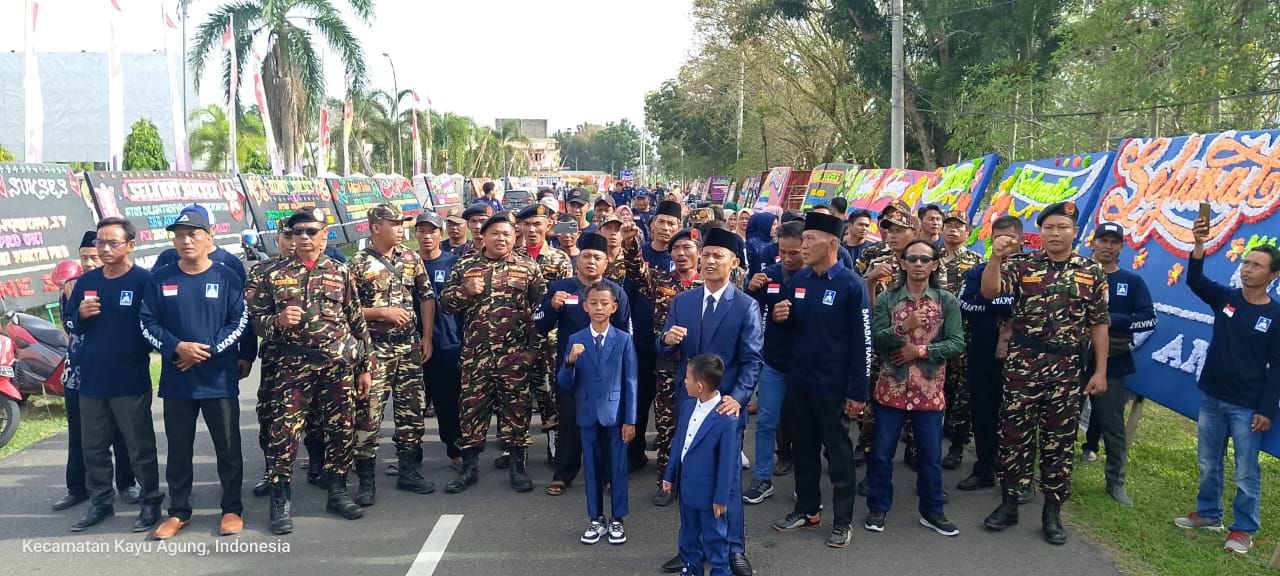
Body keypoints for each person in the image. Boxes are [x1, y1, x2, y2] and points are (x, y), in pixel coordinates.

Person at [980, 201, 1110, 545]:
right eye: (1049, 227)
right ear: (1040, 233)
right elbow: (990, 291)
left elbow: (1099, 324)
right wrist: (995, 258)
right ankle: (1009, 505)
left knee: (1059, 444)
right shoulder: (1022, 265)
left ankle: (1052, 513)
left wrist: (1100, 371)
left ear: (1075, 232)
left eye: (1062, 227)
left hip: (1067, 370)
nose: (1055, 233)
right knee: (1013, 438)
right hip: (1024, 365)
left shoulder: (1091, 271)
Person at [246, 207, 373, 534]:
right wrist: (277, 321)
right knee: (284, 434)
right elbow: (255, 322)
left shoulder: (340, 271)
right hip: (293, 366)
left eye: (311, 231)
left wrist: (364, 368)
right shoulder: (269, 273)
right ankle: (280, 501)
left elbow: (356, 322)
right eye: (297, 231)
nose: (304, 237)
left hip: (337, 366)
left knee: (340, 430)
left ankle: (338, 492)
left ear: (324, 234)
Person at [657, 227, 763, 576]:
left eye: (720, 255)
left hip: (725, 408)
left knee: (727, 480)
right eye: (707, 254)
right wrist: (667, 340)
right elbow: (665, 350)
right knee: (690, 475)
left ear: (734, 263)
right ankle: (691, 548)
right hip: (689, 405)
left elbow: (752, 360)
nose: (711, 260)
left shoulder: (745, 305)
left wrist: (738, 397)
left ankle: (733, 547)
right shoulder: (683, 301)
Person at [1173, 216, 1280, 555]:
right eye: (1246, 262)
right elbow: (1195, 280)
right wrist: (1200, 244)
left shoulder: (1276, 316)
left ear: (1273, 276)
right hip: (1212, 397)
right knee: (1208, 461)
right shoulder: (1226, 298)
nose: (1248, 269)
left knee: (1246, 472)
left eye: (1257, 266)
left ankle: (1243, 530)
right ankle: (1208, 514)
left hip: (1247, 405)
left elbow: (1278, 365)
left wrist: (1266, 408)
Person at [140, 209, 249, 539]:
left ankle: (231, 508)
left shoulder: (226, 276)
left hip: (217, 379)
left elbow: (239, 322)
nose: (186, 240)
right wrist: (177, 348)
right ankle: (179, 511)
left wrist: (205, 351)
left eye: (193, 234)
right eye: (180, 234)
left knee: (228, 447)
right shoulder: (161, 278)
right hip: (178, 379)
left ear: (209, 237)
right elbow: (148, 322)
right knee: (178, 448)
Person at [767, 211, 870, 549]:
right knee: (804, 449)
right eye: (803, 239)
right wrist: (781, 318)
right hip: (801, 381)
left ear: (833, 243)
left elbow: (863, 342)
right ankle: (807, 510)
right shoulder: (799, 281)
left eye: (810, 240)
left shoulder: (850, 285)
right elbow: (790, 328)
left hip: (834, 386)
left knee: (838, 455)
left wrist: (858, 391)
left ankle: (843, 520)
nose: (804, 245)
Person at [64, 217, 163, 533]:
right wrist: (79, 315)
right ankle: (100, 502)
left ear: (131, 245)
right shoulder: (86, 282)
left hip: (129, 379)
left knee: (139, 446)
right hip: (91, 380)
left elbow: (155, 327)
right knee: (93, 446)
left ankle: (150, 503)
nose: (104, 248)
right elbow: (70, 325)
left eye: (112, 242)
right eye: (100, 242)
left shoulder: (144, 281)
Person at [440, 212, 547, 494]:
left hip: (514, 357)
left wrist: (533, 351)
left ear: (515, 238)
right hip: (476, 357)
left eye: (507, 235)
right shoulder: (465, 266)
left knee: (516, 412)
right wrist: (465, 291)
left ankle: (517, 466)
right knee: (471, 413)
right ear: (483, 236)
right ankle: (469, 467)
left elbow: (541, 313)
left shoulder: (527, 268)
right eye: (495, 234)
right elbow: (446, 304)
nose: (501, 239)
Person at [865, 239, 964, 537]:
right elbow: (878, 339)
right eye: (913, 259)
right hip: (891, 389)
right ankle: (878, 506)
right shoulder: (888, 299)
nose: (919, 264)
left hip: (929, 391)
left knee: (931, 455)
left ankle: (932, 510)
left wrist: (919, 351)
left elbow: (957, 343)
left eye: (925, 259)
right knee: (882, 453)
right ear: (903, 263)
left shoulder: (947, 301)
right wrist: (903, 328)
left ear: (934, 264)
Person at [348, 204, 436, 505]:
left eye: (402, 224)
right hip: (374, 349)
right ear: (375, 226)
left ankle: (409, 471)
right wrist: (380, 312)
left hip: (408, 347)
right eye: (395, 223)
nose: (401, 229)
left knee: (411, 412)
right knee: (369, 415)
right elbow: (345, 311)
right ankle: (366, 480)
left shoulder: (411, 259)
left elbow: (426, 297)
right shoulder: (357, 264)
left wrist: (426, 336)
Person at [536, 233, 631, 496]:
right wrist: (551, 307)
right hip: (571, 369)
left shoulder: (615, 292)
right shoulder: (561, 288)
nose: (591, 261)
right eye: (586, 256)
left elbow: (624, 332)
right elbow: (540, 324)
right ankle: (564, 473)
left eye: (597, 257)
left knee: (605, 424)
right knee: (569, 424)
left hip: (606, 372)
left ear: (605, 263)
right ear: (578, 259)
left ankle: (607, 475)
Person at [54, 231, 140, 512]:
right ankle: (77, 487)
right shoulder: (71, 287)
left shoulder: (117, 281)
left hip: (114, 370)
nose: (89, 263)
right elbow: (69, 326)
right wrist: (77, 310)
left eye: (93, 257)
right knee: (80, 434)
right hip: (78, 373)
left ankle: (126, 483)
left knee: (120, 431)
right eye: (84, 258)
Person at [621, 224, 704, 509]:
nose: (681, 254)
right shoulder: (660, 280)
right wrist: (631, 244)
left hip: (701, 370)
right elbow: (635, 272)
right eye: (676, 250)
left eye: (687, 249)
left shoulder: (709, 284)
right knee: (666, 426)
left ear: (700, 253)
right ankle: (666, 483)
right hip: (667, 366)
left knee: (698, 426)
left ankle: (694, 482)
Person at [1080, 222, 1156, 506]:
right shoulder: (1077, 273)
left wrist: (1111, 320)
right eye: (1103, 240)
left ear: (1121, 247)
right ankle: (1053, 472)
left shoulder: (1131, 282)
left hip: (1112, 361)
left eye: (1114, 242)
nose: (1108, 246)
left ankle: (1115, 482)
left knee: (1113, 426)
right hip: (1073, 358)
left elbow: (1149, 319)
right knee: (1059, 420)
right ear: (1093, 242)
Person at [557, 282, 638, 545]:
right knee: (590, 467)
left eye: (605, 303)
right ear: (585, 306)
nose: (599, 308)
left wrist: (630, 419)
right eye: (593, 303)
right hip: (587, 412)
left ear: (614, 307)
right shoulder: (576, 340)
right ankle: (596, 518)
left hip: (615, 415)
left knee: (617, 467)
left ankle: (618, 518)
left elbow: (631, 382)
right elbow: (565, 384)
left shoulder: (624, 339)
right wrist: (570, 362)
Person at [956, 216, 1020, 493]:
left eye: (1009, 237)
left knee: (1017, 416)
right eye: (997, 237)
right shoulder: (976, 271)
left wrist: (992, 301)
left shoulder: (1030, 271)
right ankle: (983, 468)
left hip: (1020, 356)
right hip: (981, 349)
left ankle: (1015, 476)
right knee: (982, 412)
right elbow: (965, 306)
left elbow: (1024, 309)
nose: (1003, 242)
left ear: (1020, 239)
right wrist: (995, 305)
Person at [742, 221, 805, 504]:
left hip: (807, 366)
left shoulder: (819, 278)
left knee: (807, 426)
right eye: (783, 252)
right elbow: (747, 316)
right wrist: (750, 290)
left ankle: (805, 483)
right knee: (766, 422)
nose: (789, 258)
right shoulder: (768, 275)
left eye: (796, 253)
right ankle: (762, 478)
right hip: (774, 363)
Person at [662, 354, 739, 576]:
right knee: (688, 535)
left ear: (699, 385)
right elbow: (679, 443)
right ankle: (690, 570)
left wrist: (721, 497)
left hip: (710, 495)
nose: (683, 381)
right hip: (687, 490)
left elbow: (727, 463)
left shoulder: (726, 419)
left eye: (686, 377)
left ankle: (721, 571)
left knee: (716, 538)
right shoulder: (687, 407)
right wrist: (669, 475)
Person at [512, 203, 575, 468]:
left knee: (549, 391)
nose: (532, 229)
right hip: (516, 336)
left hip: (550, 337)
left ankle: (553, 438)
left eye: (537, 224)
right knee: (516, 393)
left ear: (549, 226)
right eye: (527, 224)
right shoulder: (512, 256)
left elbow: (570, 299)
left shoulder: (560, 260)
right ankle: (515, 444)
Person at [625, 200, 683, 474]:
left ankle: (670, 455)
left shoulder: (683, 257)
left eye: (671, 223)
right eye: (661, 222)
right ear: (651, 225)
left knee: (670, 405)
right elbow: (628, 293)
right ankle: (634, 452)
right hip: (643, 342)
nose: (665, 228)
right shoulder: (640, 256)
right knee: (640, 399)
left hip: (676, 348)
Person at [414, 212, 465, 472]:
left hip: (448, 343)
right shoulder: (408, 264)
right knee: (412, 404)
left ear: (440, 234)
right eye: (421, 231)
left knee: (448, 401)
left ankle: (454, 450)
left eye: (432, 230)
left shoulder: (454, 263)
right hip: (413, 346)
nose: (427, 235)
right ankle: (410, 455)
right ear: (416, 235)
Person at [937, 211, 983, 471]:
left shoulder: (977, 262)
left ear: (968, 232)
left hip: (963, 337)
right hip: (933, 336)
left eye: (959, 226)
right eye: (949, 225)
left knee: (961, 396)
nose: (953, 230)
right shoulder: (930, 257)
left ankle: (956, 447)